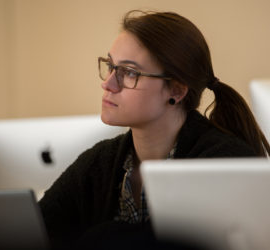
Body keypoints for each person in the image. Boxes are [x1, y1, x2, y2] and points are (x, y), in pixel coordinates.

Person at [39, 10, 270, 250]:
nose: (107, 84)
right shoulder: (99, 163)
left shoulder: (225, 161)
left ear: (177, 91)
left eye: (129, 73)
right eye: (110, 66)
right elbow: (35, 230)